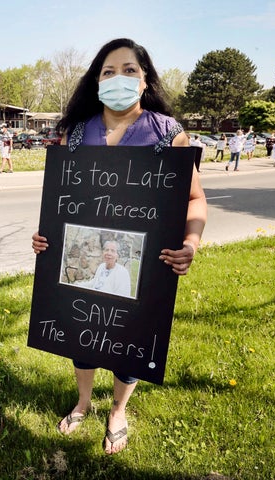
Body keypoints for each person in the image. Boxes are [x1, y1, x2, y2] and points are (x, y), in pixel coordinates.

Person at [31, 38, 207, 456]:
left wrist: (191, 243)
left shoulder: (168, 134)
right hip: (86, 263)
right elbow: (61, 203)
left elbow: (195, 199)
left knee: (130, 341)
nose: (118, 79)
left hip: (147, 268)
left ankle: (118, 411)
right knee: (82, 335)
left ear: (145, 81)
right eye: (108, 71)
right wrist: (46, 239)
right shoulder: (73, 135)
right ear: (96, 82)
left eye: (129, 70)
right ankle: (83, 402)